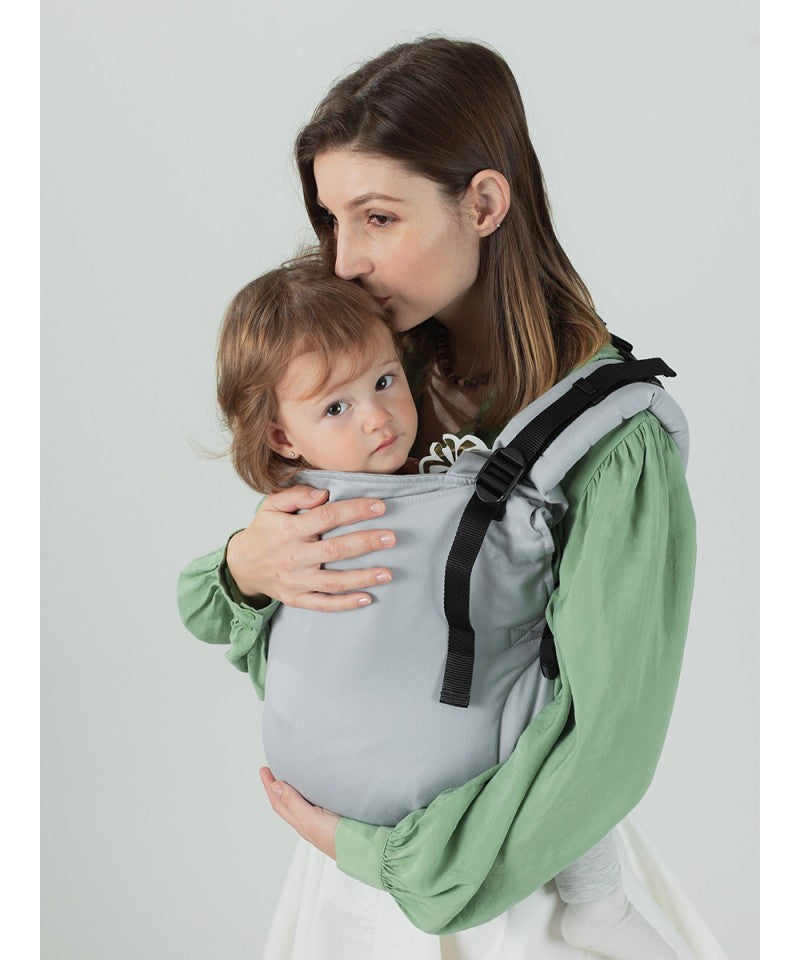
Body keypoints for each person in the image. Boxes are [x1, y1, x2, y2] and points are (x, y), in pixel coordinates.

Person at [178, 36, 725, 960]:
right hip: (343, 884)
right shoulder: (376, 381)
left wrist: (386, 856)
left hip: (505, 880)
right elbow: (320, 621)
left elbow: (607, 744)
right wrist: (248, 565)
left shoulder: (611, 442)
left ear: (482, 204)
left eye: (378, 218)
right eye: (332, 221)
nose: (344, 261)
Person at [204, 253, 670, 958]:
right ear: (281, 436)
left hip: (407, 828)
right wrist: (243, 563)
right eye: (337, 407)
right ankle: (598, 900)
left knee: (551, 694)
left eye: (385, 381)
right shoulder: (288, 527)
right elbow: (208, 609)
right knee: (543, 696)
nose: (377, 419)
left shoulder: (308, 502)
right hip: (393, 841)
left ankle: (596, 898)